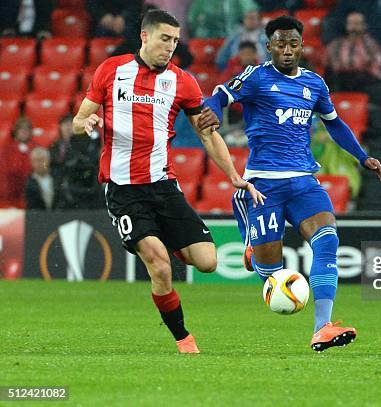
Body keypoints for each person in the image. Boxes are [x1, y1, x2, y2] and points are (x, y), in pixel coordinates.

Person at [72, 9, 264, 354]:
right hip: (123, 189)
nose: (170, 47)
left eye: (175, 41)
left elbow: (207, 135)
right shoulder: (111, 71)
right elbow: (78, 119)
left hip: (163, 186)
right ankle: (183, 338)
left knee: (207, 262)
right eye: (165, 39)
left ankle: (166, 239)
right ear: (144, 36)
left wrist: (234, 175)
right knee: (160, 266)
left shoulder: (183, 81)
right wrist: (86, 123)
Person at [202, 16, 381, 352]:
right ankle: (254, 249)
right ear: (269, 46)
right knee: (271, 269)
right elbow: (220, 95)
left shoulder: (314, 84)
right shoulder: (257, 78)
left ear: (302, 46)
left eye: (293, 44)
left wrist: (361, 156)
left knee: (328, 239)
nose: (287, 50)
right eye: (281, 44)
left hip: (303, 181)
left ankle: (322, 327)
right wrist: (212, 109)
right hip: (265, 185)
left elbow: (335, 124)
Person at [324, 11, 381, 91]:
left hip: (364, 80)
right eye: (351, 24)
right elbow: (327, 63)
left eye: (357, 24)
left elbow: (377, 68)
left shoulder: (372, 46)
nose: (354, 28)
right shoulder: (335, 45)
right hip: (340, 80)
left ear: (364, 26)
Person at [0, 117, 37, 208]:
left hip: (31, 194)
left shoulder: (36, 148)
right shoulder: (6, 149)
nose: (24, 131)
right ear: (16, 131)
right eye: (21, 128)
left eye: (27, 129)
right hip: (10, 196)